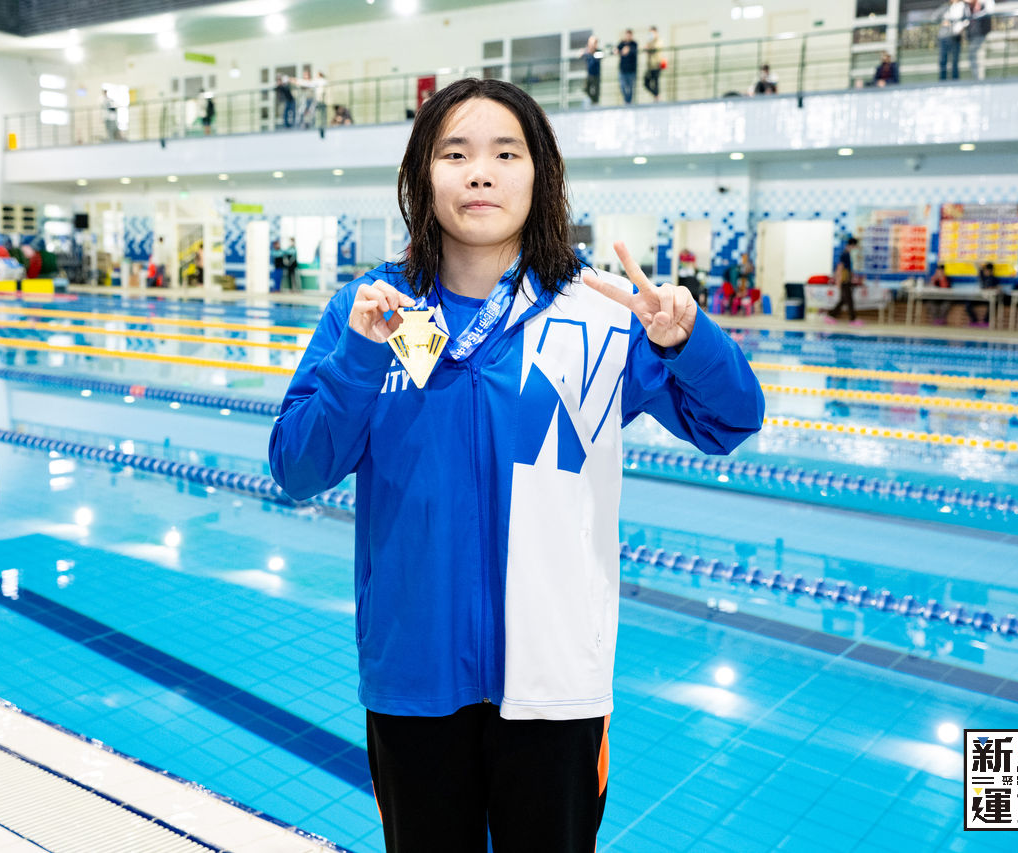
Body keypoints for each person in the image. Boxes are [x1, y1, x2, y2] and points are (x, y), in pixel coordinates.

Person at [267, 78, 764, 853]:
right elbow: (296, 468)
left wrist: (687, 341)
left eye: (506, 153)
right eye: (454, 154)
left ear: (541, 175)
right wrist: (359, 359)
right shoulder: (371, 312)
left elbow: (730, 420)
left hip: (556, 679)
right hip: (414, 676)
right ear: (421, 176)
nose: (480, 173)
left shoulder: (600, 311)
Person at [825, 236, 860, 324]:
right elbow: (840, 268)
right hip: (845, 281)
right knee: (849, 300)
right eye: (855, 246)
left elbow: (848, 269)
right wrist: (838, 281)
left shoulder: (848, 254)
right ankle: (852, 319)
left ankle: (831, 315)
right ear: (852, 245)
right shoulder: (845, 255)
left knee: (843, 300)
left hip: (847, 280)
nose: (856, 248)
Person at [938, 1, 970, 80]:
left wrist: (960, 28)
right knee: (943, 60)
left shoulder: (963, 6)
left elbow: (967, 20)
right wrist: (943, 21)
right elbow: (934, 17)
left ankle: (955, 80)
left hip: (955, 36)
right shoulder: (945, 6)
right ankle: (943, 81)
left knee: (955, 61)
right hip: (944, 37)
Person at [966, 0, 995, 80]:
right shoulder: (967, 6)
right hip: (972, 34)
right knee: (973, 56)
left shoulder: (983, 3)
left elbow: (990, 10)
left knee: (975, 55)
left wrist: (977, 15)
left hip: (981, 33)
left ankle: (978, 78)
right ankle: (977, 77)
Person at [967, 261, 998, 326]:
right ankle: (974, 321)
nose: (985, 271)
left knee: (992, 305)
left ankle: (986, 322)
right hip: (980, 297)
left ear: (991, 271)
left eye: (987, 270)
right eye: (985, 270)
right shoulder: (983, 276)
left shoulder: (994, 279)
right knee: (968, 304)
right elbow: (977, 266)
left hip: (988, 298)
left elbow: (996, 288)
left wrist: (993, 288)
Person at [643, 26, 664, 102]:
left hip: (657, 64)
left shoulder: (659, 41)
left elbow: (655, 49)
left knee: (656, 81)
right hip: (650, 66)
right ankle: (656, 95)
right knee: (646, 83)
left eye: (652, 33)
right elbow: (646, 50)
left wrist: (648, 48)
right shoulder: (649, 42)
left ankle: (657, 97)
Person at [617, 29, 638, 104]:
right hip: (623, 69)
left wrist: (628, 50)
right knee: (622, 86)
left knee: (631, 87)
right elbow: (617, 50)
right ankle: (627, 100)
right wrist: (619, 51)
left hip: (631, 70)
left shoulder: (634, 44)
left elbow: (633, 51)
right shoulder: (621, 43)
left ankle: (629, 102)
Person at [582, 35, 602, 105]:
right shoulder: (587, 52)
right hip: (589, 74)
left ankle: (595, 102)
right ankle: (592, 100)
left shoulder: (598, 51)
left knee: (596, 90)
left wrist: (592, 53)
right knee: (586, 89)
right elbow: (583, 57)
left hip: (596, 74)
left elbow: (597, 59)